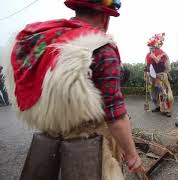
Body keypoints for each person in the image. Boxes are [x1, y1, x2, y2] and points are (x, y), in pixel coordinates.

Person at [5, 0, 143, 179]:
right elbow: (115, 116)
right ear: (105, 17)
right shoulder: (102, 49)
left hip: (47, 140)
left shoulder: (43, 42)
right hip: (88, 146)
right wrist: (132, 155)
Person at [144, 33, 173, 117]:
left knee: (163, 93)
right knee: (153, 93)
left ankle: (167, 109)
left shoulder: (162, 53)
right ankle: (157, 106)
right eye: (149, 47)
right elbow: (146, 66)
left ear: (156, 46)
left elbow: (161, 64)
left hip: (160, 76)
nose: (150, 48)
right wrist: (145, 74)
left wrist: (155, 57)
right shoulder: (148, 55)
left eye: (152, 47)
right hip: (151, 76)